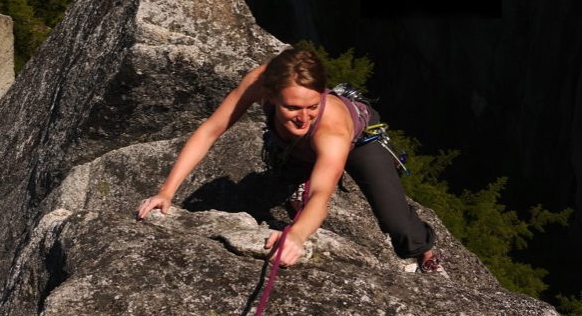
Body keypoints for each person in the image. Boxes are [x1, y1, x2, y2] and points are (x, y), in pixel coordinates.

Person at [137, 48, 440, 271]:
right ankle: (295, 174)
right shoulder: (260, 81)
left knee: (395, 220)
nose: (304, 116)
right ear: (270, 94)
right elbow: (210, 130)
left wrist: (295, 235)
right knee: (288, 166)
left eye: (311, 105)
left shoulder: (331, 127)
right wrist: (167, 192)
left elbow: (323, 194)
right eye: (293, 106)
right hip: (291, 144)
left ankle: (423, 248)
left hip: (358, 140)